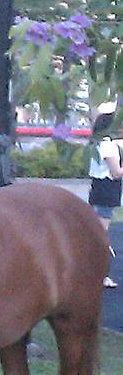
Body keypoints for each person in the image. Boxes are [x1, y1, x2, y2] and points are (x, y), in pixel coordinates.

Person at [88, 102, 123, 288]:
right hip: (107, 190)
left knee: (97, 233)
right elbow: (116, 172)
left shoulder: (97, 143)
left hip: (99, 188)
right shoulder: (108, 145)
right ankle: (100, 275)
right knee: (100, 236)